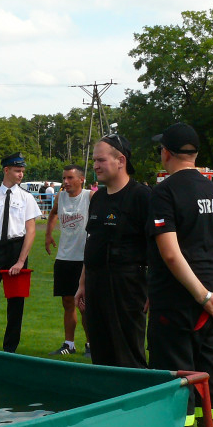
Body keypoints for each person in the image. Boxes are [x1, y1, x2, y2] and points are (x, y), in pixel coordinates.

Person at [146, 123, 213, 427]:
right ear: (196, 154)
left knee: (176, 382)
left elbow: (170, 253)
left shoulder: (164, 192)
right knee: (209, 379)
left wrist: (201, 295)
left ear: (166, 153)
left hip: (177, 302)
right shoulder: (211, 191)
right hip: (211, 304)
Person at [74, 136, 151, 367]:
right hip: (96, 285)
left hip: (127, 285)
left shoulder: (142, 196)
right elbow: (93, 241)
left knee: (127, 353)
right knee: (101, 353)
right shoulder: (98, 198)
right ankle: (107, 400)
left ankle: (135, 402)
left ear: (121, 160)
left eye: (101, 160)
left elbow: (159, 246)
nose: (95, 165)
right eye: (94, 160)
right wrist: (82, 283)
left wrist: (153, 288)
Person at [0, 153, 41, 353]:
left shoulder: (27, 198)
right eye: (17, 170)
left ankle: (10, 348)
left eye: (22, 171)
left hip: (16, 249)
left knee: (16, 303)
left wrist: (21, 261)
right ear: (6, 170)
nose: (21, 174)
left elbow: (30, 231)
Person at [45, 164, 91, 356]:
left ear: (81, 179)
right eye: (64, 178)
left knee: (85, 305)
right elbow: (54, 213)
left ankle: (91, 344)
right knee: (67, 301)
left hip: (84, 258)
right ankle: (69, 345)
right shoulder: (61, 196)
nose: (65, 182)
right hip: (64, 257)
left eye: (70, 178)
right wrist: (49, 234)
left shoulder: (90, 196)